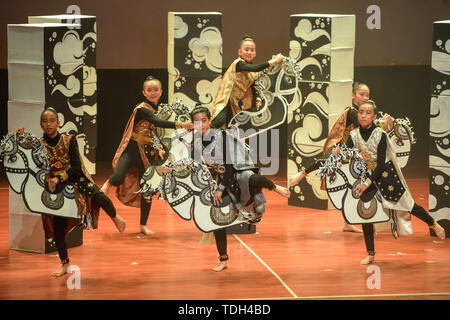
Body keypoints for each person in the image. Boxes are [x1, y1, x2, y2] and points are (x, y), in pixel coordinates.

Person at [332, 100, 446, 264]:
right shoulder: (354, 135)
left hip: (385, 173)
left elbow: (380, 164)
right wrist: (338, 152)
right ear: (357, 115)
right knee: (365, 213)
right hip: (368, 174)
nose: (364, 115)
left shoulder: (380, 134)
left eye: (368, 112)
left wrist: (367, 183)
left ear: (374, 116)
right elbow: (346, 153)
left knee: (407, 204)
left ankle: (432, 223)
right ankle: (370, 253)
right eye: (361, 112)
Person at [17, 107, 126, 277]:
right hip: (55, 185)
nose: (48, 124)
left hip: (73, 177)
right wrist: (19, 138)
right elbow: (26, 156)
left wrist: (60, 177)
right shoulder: (39, 144)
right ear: (40, 124)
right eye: (45, 121)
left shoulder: (68, 140)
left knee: (99, 195)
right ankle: (65, 264)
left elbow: (76, 166)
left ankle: (115, 217)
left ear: (58, 122)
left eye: (52, 120)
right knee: (58, 226)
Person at [190, 106, 290, 271]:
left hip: (233, 174)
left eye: (204, 120)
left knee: (248, 177)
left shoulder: (220, 137)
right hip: (217, 179)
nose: (201, 125)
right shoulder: (197, 142)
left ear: (209, 120)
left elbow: (229, 168)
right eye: (196, 122)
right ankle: (223, 260)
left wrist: (220, 189)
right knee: (217, 218)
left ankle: (276, 188)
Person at [288, 82, 393, 233]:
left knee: (351, 185)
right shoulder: (353, 112)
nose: (364, 97)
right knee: (329, 161)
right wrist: (385, 123)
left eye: (367, 95)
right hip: (339, 145)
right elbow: (370, 126)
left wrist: (387, 124)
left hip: (352, 149)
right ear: (353, 95)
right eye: (361, 94)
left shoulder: (364, 112)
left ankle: (348, 223)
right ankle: (301, 174)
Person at [101, 76, 193, 235]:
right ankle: (107, 184)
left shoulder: (157, 110)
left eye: (156, 90)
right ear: (144, 92)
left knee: (148, 189)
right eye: (149, 90)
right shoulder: (142, 108)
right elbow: (157, 123)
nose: (153, 93)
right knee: (117, 177)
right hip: (132, 150)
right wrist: (181, 125)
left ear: (161, 92)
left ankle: (143, 225)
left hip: (147, 154)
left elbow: (154, 133)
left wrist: (159, 147)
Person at [211, 35, 285, 129]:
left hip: (236, 102)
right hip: (226, 100)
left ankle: (223, 143)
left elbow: (254, 87)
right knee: (219, 121)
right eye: (246, 49)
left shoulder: (253, 73)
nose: (249, 52)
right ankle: (200, 139)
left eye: (252, 50)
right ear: (240, 52)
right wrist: (274, 61)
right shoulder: (238, 64)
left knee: (232, 126)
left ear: (255, 53)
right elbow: (255, 68)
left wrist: (258, 99)